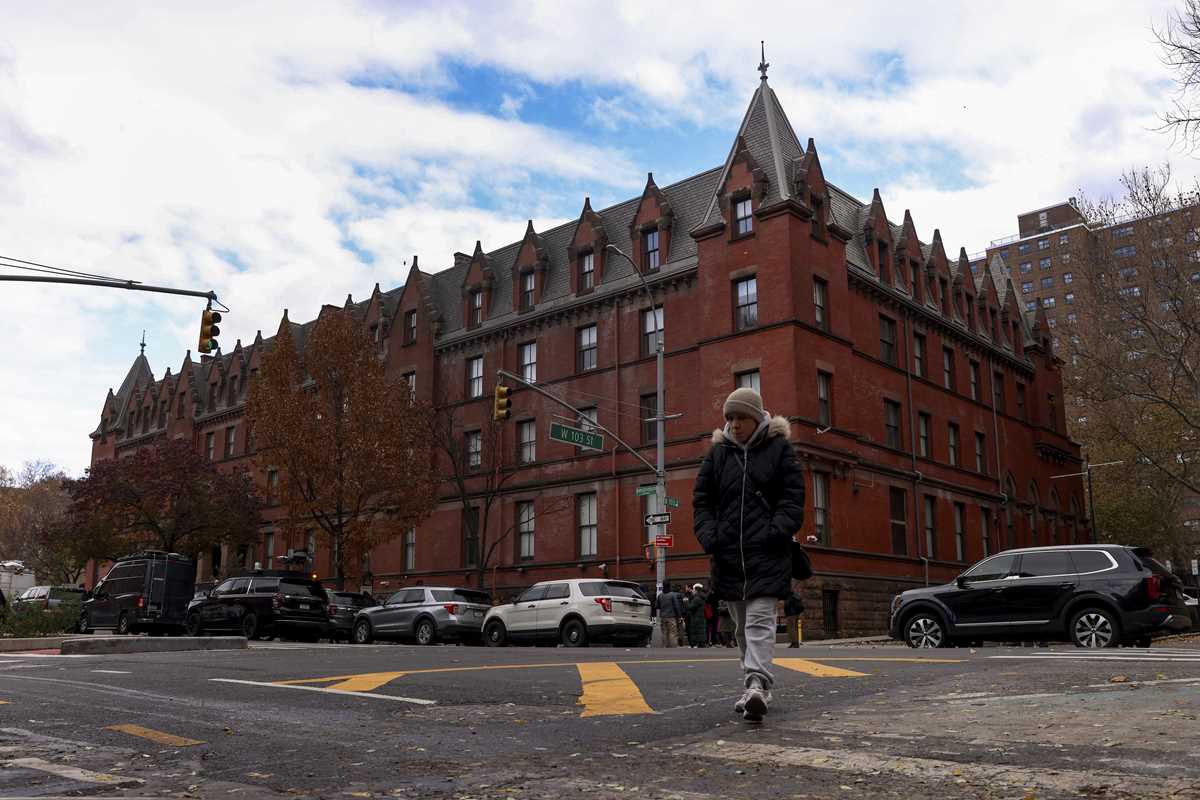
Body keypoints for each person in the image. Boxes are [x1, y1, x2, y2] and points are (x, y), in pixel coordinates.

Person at [693, 387, 805, 723]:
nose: (735, 424)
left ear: (757, 417)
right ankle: (756, 686)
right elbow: (702, 501)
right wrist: (710, 537)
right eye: (730, 418)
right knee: (741, 628)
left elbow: (793, 499)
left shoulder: (779, 449)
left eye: (741, 417)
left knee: (759, 622)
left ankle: (756, 683)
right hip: (728, 557)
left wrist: (775, 532)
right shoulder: (717, 454)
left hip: (767, 553)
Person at [657, 582, 683, 648]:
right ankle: (673, 647)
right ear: (669, 586)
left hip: (663, 617)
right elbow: (676, 606)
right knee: (673, 633)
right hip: (671, 617)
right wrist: (679, 616)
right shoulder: (672, 595)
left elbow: (657, 606)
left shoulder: (660, 595)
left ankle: (665, 646)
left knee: (664, 632)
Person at [687, 583, 709, 647]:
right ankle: (701, 643)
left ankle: (699, 643)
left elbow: (691, 607)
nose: (693, 591)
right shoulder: (702, 597)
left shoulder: (697, 598)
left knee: (697, 630)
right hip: (701, 616)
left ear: (696, 590)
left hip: (696, 617)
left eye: (693, 590)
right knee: (701, 631)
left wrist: (686, 603)